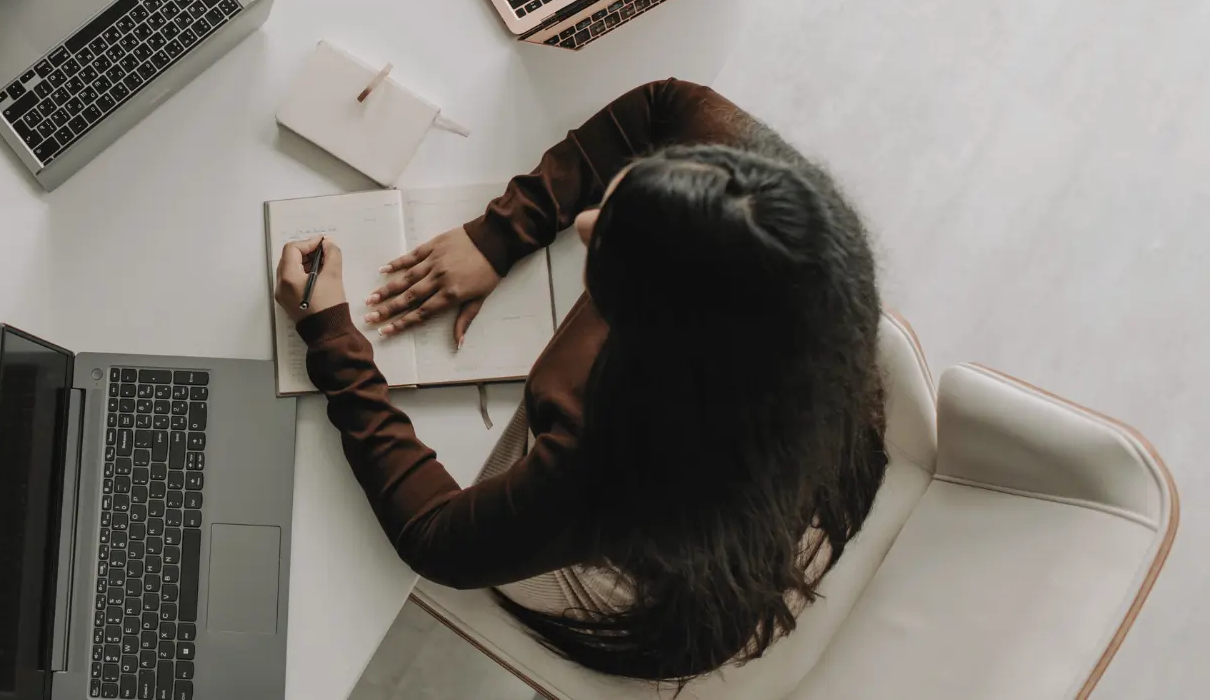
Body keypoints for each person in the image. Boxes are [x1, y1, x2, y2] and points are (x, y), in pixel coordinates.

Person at [271, 79, 886, 680]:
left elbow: (436, 540)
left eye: (610, 244)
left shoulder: (615, 462)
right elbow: (663, 105)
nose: (586, 222)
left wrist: (330, 338)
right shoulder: (763, 210)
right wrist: (501, 233)